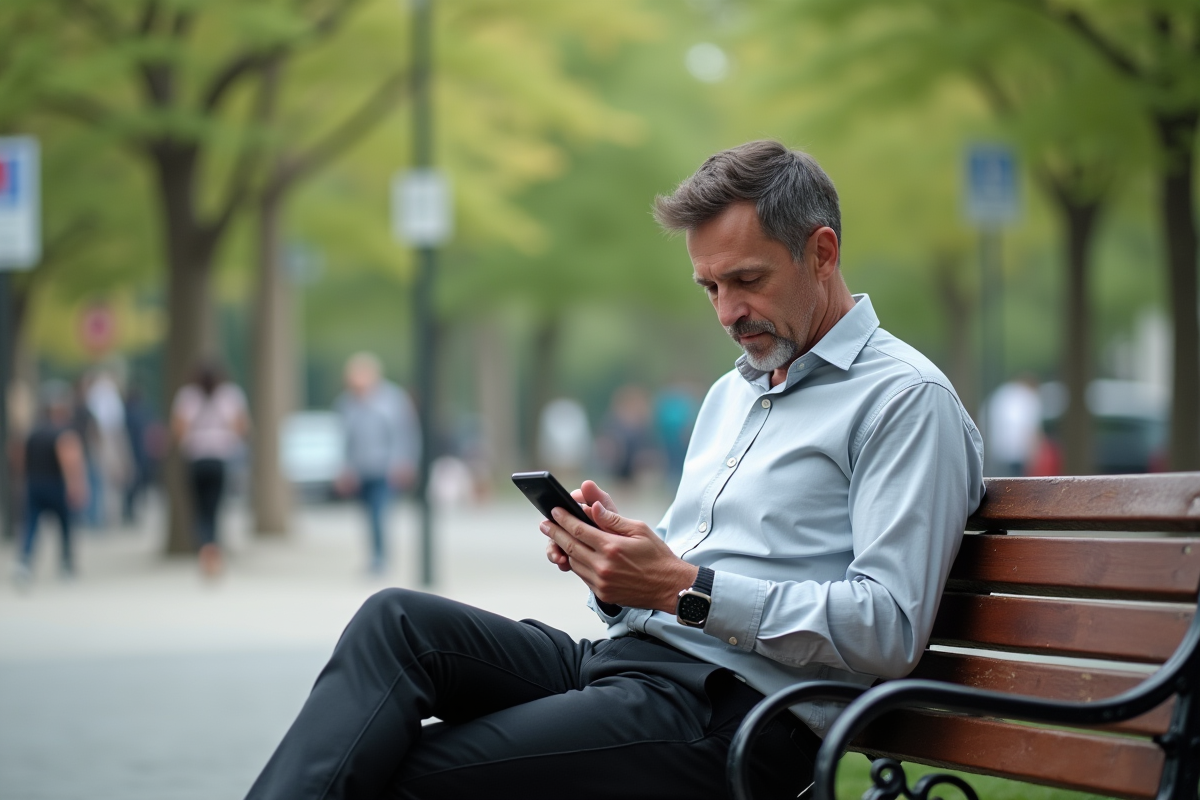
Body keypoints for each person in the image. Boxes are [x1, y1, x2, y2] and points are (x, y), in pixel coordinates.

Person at [246, 141, 984, 800]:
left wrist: (684, 589)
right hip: (632, 664)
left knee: (406, 772)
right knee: (396, 623)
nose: (728, 311)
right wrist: (613, 567)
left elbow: (888, 627)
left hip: (740, 715)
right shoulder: (737, 391)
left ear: (821, 253)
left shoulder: (904, 401)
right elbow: (679, 577)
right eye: (710, 288)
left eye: (746, 280)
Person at [334, 353, 420, 574]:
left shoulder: (393, 399)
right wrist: (344, 468)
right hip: (360, 469)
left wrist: (405, 463)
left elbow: (404, 433)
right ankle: (374, 555)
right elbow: (344, 439)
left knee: (378, 512)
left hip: (385, 467)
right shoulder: (346, 403)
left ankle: (380, 558)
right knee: (366, 514)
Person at [171, 362, 249, 578]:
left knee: (199, 509)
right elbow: (241, 426)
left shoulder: (187, 396)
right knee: (215, 507)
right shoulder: (230, 395)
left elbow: (179, 429)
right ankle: (213, 549)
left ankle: (206, 547)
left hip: (196, 458)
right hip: (219, 458)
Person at [13, 382, 89, 586]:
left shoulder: (32, 433)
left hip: (33, 484)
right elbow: (70, 461)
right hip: (56, 484)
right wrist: (77, 485)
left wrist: (24, 479)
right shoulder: (64, 433)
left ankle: (24, 563)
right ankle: (66, 564)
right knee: (64, 526)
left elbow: (19, 458)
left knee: (30, 526)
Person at [984, 375, 1043, 476]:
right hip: (1018, 453)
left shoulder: (1002, 393)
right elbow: (1028, 428)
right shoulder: (1028, 398)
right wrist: (1033, 454)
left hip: (997, 451)